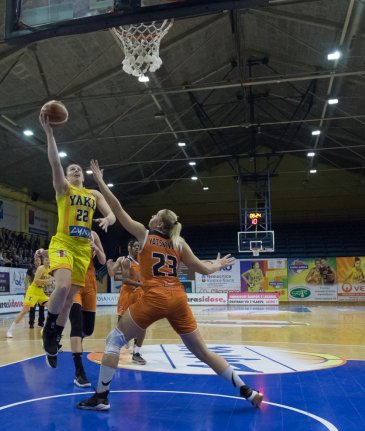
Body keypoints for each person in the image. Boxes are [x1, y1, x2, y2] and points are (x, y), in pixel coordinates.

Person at [77, 160, 263, 411]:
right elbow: (205, 269)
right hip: (178, 297)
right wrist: (218, 264)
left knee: (113, 341)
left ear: (159, 224)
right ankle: (247, 391)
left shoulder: (144, 235)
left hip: (155, 297)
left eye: (155, 214)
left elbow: (118, 209)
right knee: (204, 353)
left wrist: (100, 181)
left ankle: (100, 397)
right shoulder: (179, 243)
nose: (151, 215)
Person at [39, 113, 116, 368]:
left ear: (82, 176)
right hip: (63, 243)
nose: (72, 170)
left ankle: (55, 337)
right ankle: (50, 329)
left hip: (83, 249)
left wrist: (108, 220)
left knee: (70, 297)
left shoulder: (92, 193)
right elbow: (53, 162)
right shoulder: (64, 189)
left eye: (76, 169)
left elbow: (112, 212)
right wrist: (50, 134)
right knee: (61, 287)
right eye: (69, 169)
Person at [69, 231, 106, 387]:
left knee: (88, 329)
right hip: (73, 281)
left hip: (90, 282)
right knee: (76, 326)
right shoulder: (68, 230)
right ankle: (79, 371)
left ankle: (76, 340)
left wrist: (96, 249)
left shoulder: (92, 234)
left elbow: (103, 260)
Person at [7, 250, 52, 338]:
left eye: (49, 260)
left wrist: (49, 283)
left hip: (40, 292)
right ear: (43, 261)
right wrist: (47, 281)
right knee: (24, 311)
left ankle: (47, 328)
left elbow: (46, 283)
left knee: (52, 308)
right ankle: (10, 330)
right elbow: (35, 281)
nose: (48, 261)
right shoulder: (41, 268)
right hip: (33, 291)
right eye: (46, 260)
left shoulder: (50, 269)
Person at [118, 239, 146, 364]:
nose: (137, 248)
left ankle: (137, 352)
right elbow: (125, 279)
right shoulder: (126, 262)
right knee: (121, 325)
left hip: (139, 294)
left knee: (143, 323)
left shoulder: (143, 261)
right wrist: (141, 284)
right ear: (130, 247)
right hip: (127, 295)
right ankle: (116, 347)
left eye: (139, 247)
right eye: (135, 246)